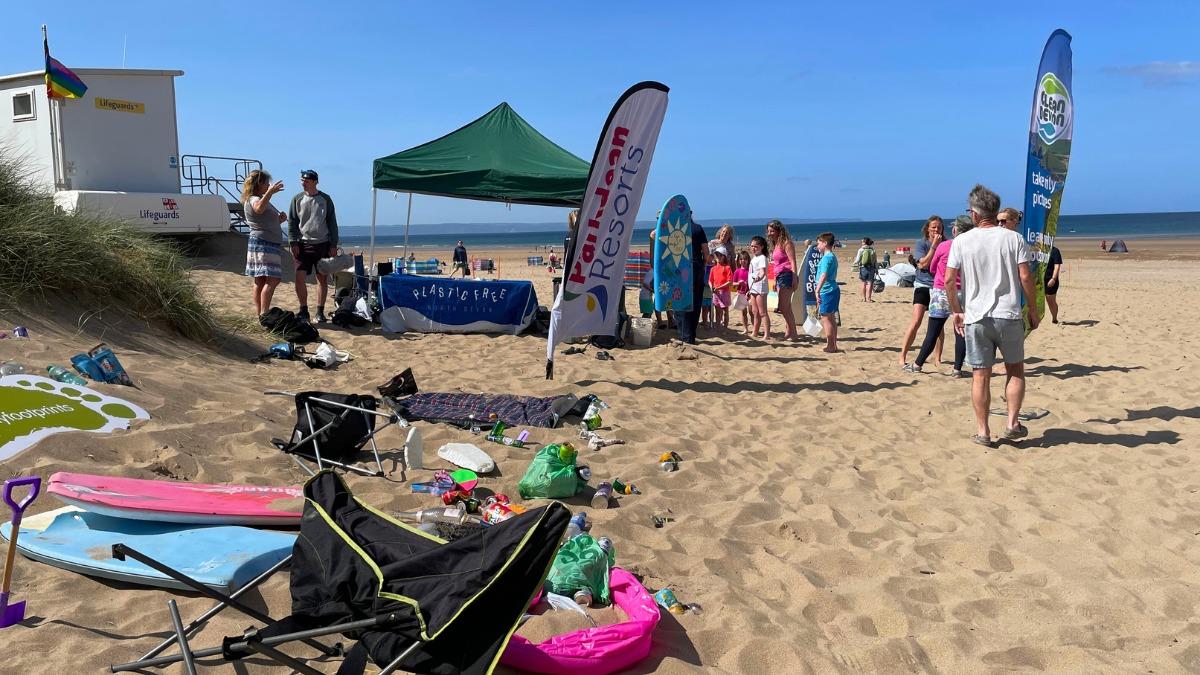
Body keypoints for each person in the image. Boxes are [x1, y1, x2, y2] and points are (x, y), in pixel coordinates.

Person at [944, 184, 1039, 447]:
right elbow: (1025, 276)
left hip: (976, 316)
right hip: (1008, 314)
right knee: (1015, 370)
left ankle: (983, 431)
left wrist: (956, 312)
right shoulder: (1013, 238)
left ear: (974, 214)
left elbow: (949, 280)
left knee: (980, 375)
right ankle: (1011, 422)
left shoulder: (961, 241)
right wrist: (1032, 308)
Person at [906, 215, 970, 375]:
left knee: (933, 331)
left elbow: (932, 268)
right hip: (963, 292)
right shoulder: (971, 247)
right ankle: (957, 369)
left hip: (941, 291)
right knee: (960, 331)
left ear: (955, 230)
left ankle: (917, 364)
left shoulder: (945, 245)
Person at [287, 169, 338, 323]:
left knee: (322, 279)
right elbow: (292, 222)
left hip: (322, 244)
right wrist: (292, 242)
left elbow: (332, 222)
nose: (303, 183)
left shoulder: (325, 199)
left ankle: (320, 312)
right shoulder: (297, 199)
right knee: (299, 277)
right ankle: (303, 310)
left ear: (315, 181)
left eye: (307, 180)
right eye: (302, 180)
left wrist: (333, 244)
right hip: (302, 245)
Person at [240, 170, 287, 318]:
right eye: (267, 183)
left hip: (262, 241)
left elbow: (262, 219)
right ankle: (264, 312)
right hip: (264, 243)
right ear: (259, 184)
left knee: (260, 280)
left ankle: (261, 314)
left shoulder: (256, 198)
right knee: (273, 279)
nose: (268, 185)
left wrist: (279, 220)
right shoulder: (254, 198)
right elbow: (259, 208)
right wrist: (270, 193)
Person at [899, 216, 944, 367]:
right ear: (927, 229)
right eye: (933, 227)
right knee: (916, 321)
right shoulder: (921, 244)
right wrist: (934, 247)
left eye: (938, 227)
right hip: (922, 285)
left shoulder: (945, 243)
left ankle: (937, 358)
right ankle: (903, 356)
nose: (936, 230)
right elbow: (923, 264)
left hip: (938, 287)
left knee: (938, 325)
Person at [675, 217, 708, 344]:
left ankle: (684, 336)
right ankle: (691, 336)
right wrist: (702, 265)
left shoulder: (675, 228)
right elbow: (706, 252)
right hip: (696, 267)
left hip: (679, 269)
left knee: (680, 301)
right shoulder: (697, 228)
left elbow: (654, 235)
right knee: (695, 302)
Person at [766, 220, 799, 339]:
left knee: (783, 306)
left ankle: (793, 333)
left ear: (779, 231)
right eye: (768, 231)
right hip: (779, 276)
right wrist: (774, 279)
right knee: (786, 307)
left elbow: (793, 261)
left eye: (772, 231)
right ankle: (789, 333)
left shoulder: (786, 243)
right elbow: (775, 264)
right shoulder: (775, 245)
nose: (769, 233)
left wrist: (795, 278)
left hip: (787, 275)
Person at [814, 232, 840, 352]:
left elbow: (823, 275)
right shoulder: (832, 256)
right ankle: (833, 344)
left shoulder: (826, 258)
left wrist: (817, 290)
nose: (817, 245)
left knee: (826, 318)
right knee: (831, 318)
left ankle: (831, 345)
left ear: (825, 243)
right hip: (833, 289)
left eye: (818, 243)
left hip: (827, 290)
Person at [710, 225, 737, 327]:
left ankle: (724, 323)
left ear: (729, 236)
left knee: (725, 302)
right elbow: (707, 257)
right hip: (715, 273)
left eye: (727, 233)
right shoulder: (713, 243)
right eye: (723, 232)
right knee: (715, 301)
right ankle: (716, 321)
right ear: (720, 232)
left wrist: (735, 276)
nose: (724, 234)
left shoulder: (731, 246)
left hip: (726, 275)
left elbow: (733, 262)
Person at [748, 236, 771, 340]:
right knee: (755, 312)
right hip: (753, 287)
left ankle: (767, 334)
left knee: (762, 312)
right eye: (752, 246)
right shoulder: (754, 258)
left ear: (761, 247)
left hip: (760, 287)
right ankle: (755, 332)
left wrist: (759, 277)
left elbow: (762, 272)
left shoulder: (762, 257)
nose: (753, 248)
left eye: (755, 246)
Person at [709, 247, 733, 330]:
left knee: (726, 312)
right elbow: (710, 280)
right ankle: (718, 327)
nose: (718, 257)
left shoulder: (727, 268)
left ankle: (725, 328)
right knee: (718, 311)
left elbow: (730, 282)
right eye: (716, 255)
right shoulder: (713, 268)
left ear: (724, 256)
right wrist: (711, 287)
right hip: (716, 293)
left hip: (725, 292)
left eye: (720, 255)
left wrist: (719, 287)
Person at [734, 250, 752, 334]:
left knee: (752, 312)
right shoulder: (737, 271)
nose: (743, 261)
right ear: (739, 260)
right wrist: (739, 283)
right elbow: (733, 283)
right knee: (743, 312)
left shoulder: (750, 270)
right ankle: (746, 329)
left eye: (745, 259)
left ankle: (755, 327)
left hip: (750, 293)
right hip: (741, 293)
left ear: (748, 260)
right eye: (741, 259)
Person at [1044, 244, 1063, 323]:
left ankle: (1054, 318)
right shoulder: (1038, 249)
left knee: (1050, 301)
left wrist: (1053, 278)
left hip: (1050, 279)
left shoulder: (1055, 251)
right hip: (1039, 279)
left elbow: (1057, 266)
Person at [856, 237, 878, 302]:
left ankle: (864, 298)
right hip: (871, 268)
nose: (861, 243)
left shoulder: (861, 250)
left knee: (863, 283)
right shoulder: (872, 250)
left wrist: (855, 264)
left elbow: (857, 260)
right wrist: (876, 269)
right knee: (870, 283)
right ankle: (869, 298)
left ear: (864, 242)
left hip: (863, 268)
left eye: (862, 242)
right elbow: (875, 261)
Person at [700, 250, 715, 329]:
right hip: (704, 289)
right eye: (707, 255)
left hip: (711, 290)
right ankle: (705, 322)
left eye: (710, 256)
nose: (708, 257)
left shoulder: (714, 266)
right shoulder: (703, 266)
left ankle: (711, 322)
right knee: (704, 308)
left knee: (711, 309)